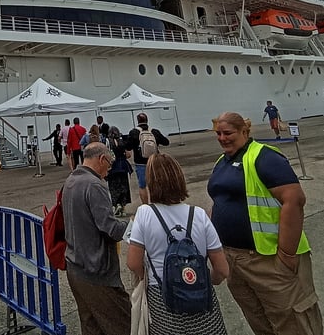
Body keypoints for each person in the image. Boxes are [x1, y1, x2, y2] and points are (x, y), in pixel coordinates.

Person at [207, 112, 322, 335]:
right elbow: (220, 202)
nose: (222, 138)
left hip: (267, 259)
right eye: (218, 134)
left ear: (244, 131)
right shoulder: (222, 161)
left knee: (292, 321)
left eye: (228, 133)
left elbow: (294, 199)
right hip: (235, 260)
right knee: (259, 321)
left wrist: (286, 255)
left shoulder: (265, 157)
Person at [127, 153, 230, 335]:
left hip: (161, 296)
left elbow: (133, 263)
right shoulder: (198, 214)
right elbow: (222, 269)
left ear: (152, 182)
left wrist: (148, 277)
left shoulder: (144, 213)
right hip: (201, 298)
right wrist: (204, 281)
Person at [62, 142, 131, 335]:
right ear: (101, 159)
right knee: (123, 324)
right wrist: (134, 226)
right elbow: (110, 228)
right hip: (97, 272)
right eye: (109, 164)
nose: (109, 170)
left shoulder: (71, 181)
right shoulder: (94, 185)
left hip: (76, 266)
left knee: (91, 326)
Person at [124, 112, 170, 205]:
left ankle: (146, 205)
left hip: (140, 162)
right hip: (154, 161)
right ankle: (157, 203)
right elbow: (166, 142)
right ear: (147, 120)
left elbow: (128, 147)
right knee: (156, 184)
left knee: (142, 186)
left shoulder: (134, 132)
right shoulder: (154, 131)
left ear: (137, 121)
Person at [105, 126, 132, 216]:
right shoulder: (122, 141)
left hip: (113, 167)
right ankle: (123, 208)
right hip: (123, 166)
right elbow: (128, 155)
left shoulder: (108, 141)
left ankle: (117, 205)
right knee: (124, 187)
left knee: (113, 187)